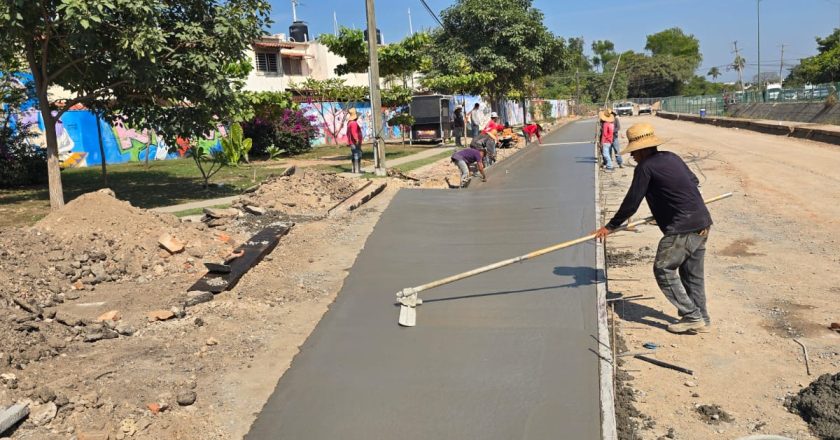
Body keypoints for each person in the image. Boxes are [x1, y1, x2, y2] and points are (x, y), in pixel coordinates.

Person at [594, 122, 713, 334]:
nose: (632, 157)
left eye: (634, 152)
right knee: (691, 275)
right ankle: (701, 317)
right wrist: (663, 211)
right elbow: (692, 181)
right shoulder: (671, 157)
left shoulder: (645, 167)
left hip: (682, 228)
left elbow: (632, 201)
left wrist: (610, 226)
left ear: (643, 149)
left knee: (663, 269)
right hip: (702, 222)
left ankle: (692, 316)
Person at [346, 108, 363, 173]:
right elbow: (354, 133)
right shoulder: (353, 123)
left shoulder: (349, 123)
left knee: (354, 154)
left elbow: (348, 133)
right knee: (357, 154)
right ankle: (357, 169)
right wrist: (357, 140)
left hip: (351, 142)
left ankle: (354, 169)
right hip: (354, 142)